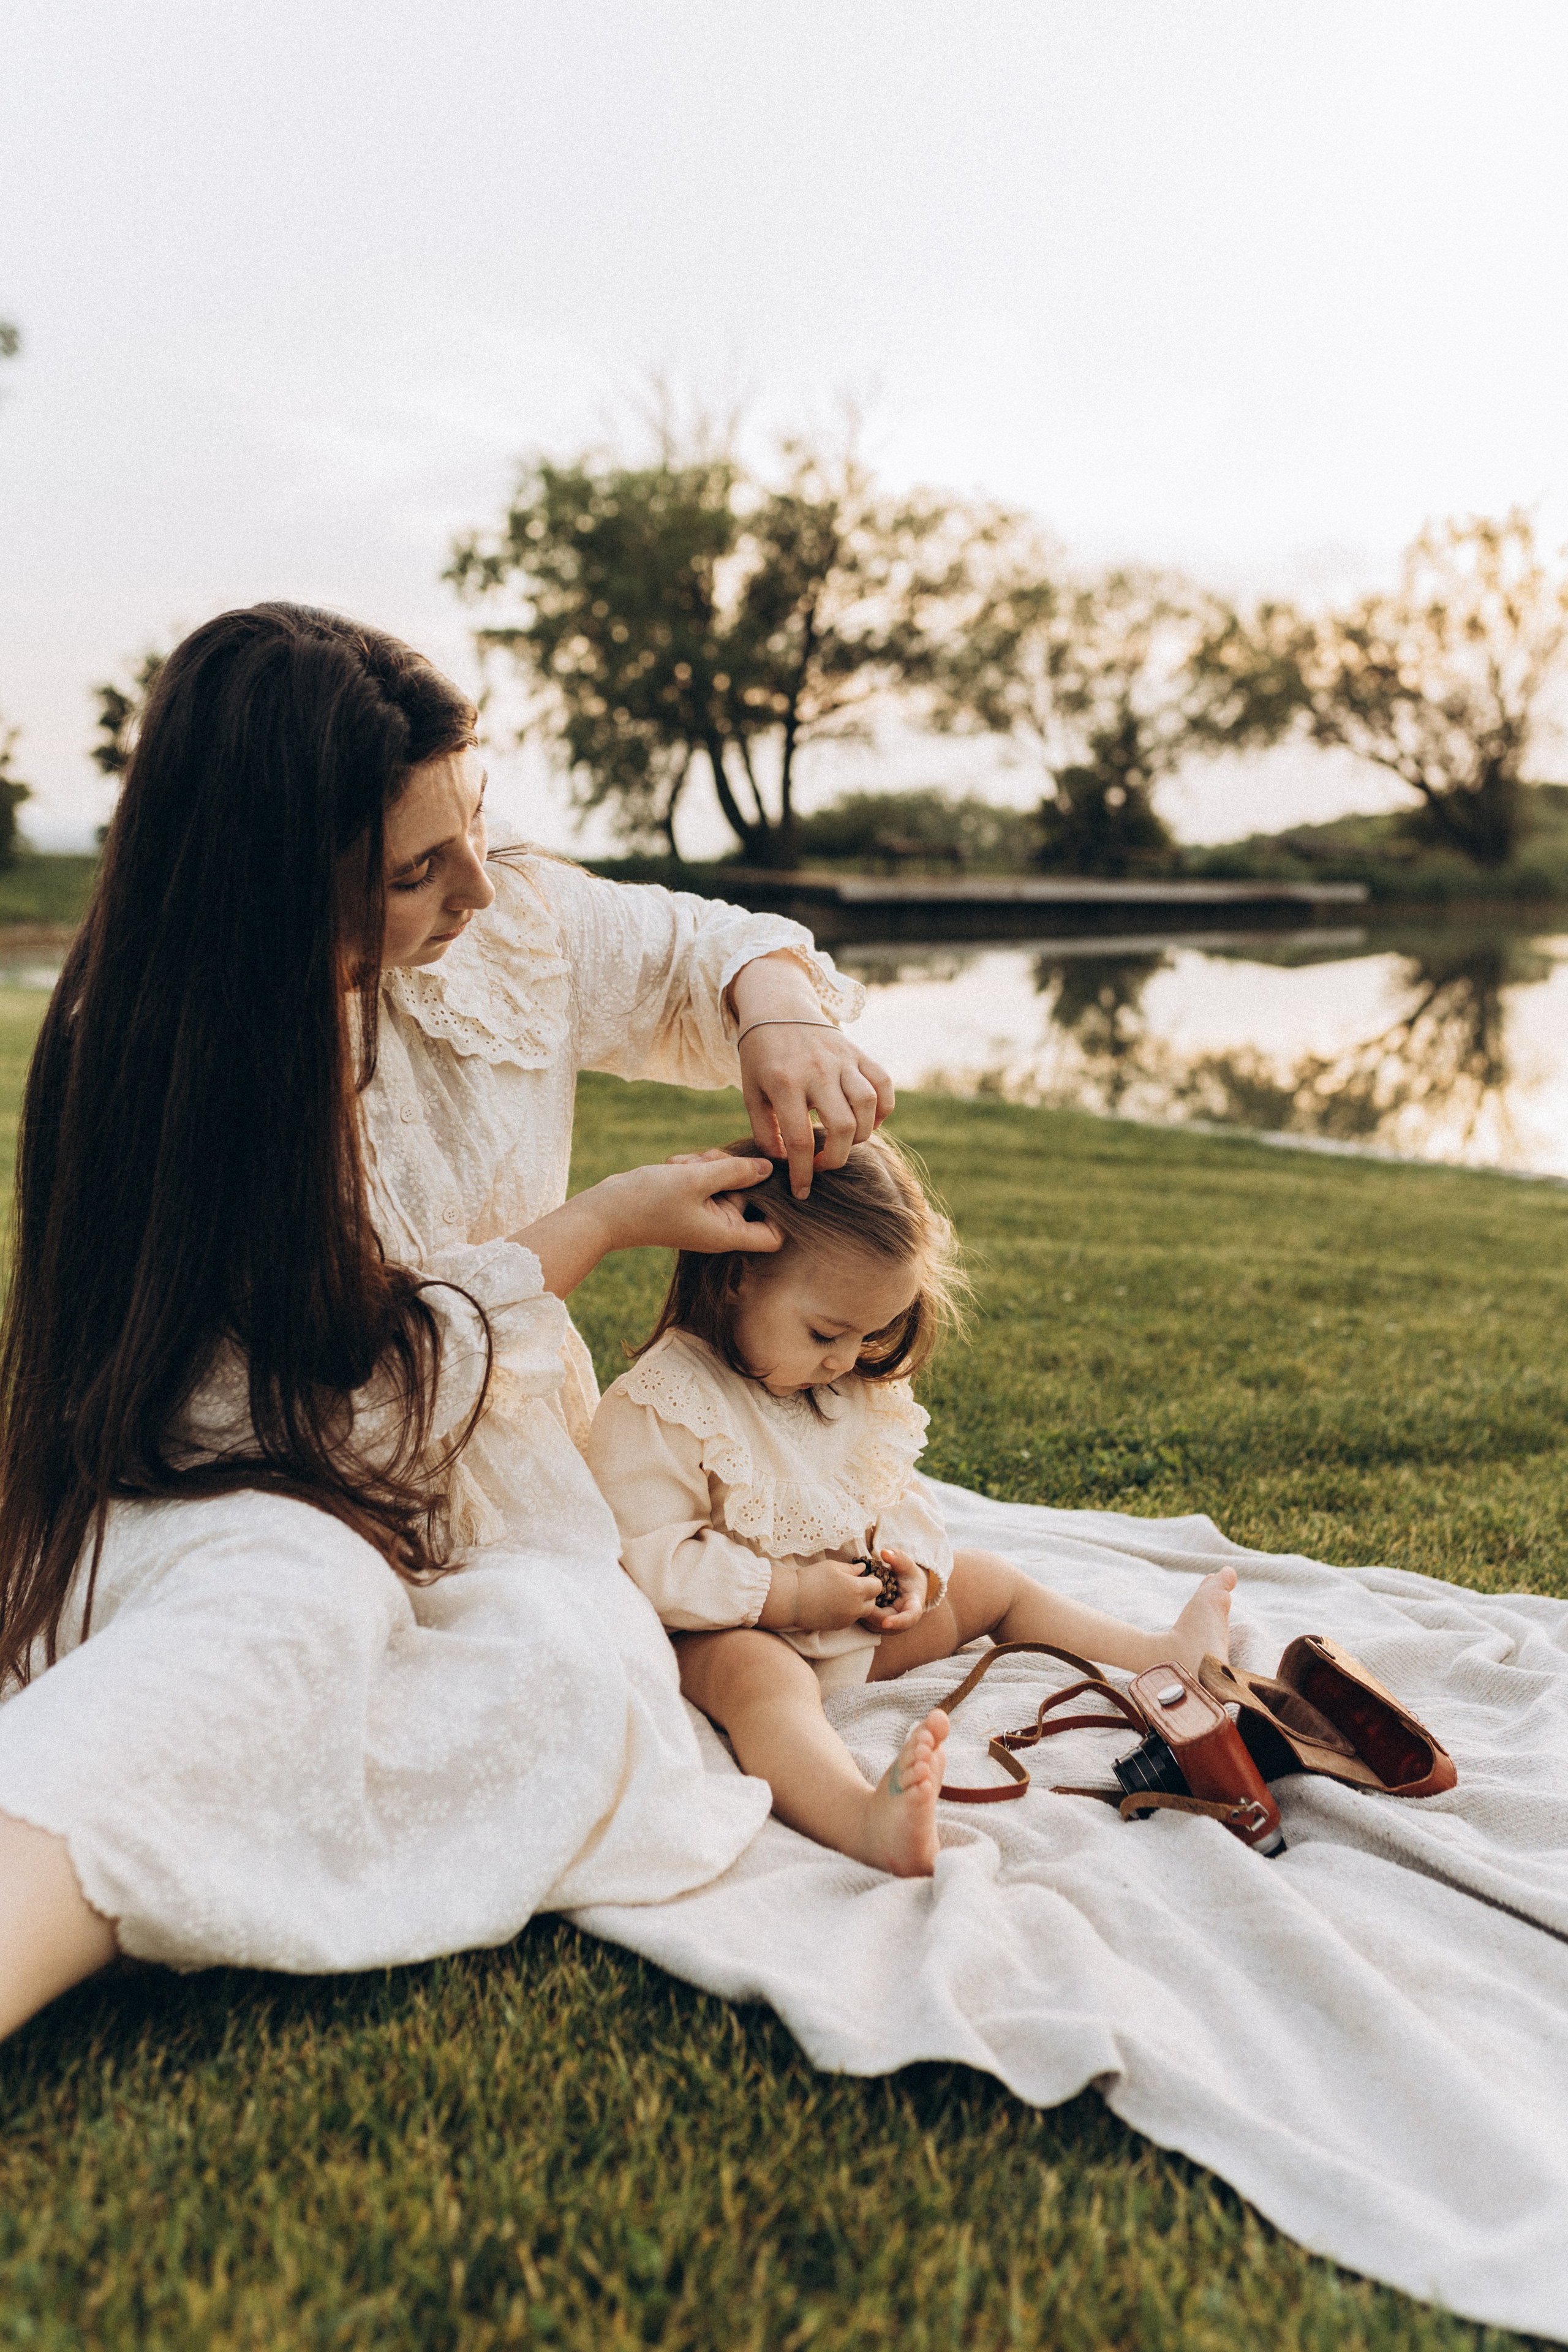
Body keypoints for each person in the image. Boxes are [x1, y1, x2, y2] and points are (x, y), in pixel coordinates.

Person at [0, 601, 894, 2043]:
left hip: (498, 1485)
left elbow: (704, 945)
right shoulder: (162, 1045)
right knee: (288, 1618)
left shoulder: (506, 917)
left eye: (473, 823)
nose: (479, 890)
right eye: (418, 871)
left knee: (566, 1663)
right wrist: (588, 1229)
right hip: (240, 1479)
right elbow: (309, 1410)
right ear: (277, 894)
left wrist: (776, 1010)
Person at [586, 1134, 1238, 1877]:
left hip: (852, 1636)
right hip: (725, 1637)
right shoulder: (669, 1402)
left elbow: (892, 1494)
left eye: (870, 1335)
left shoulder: (841, 1382)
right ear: (738, 1276)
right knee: (765, 1682)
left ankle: (1156, 1655)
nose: (846, 1358)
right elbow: (645, 1557)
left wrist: (914, 1574)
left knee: (990, 1580)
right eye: (827, 1333)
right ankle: (858, 1816)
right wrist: (790, 1594)